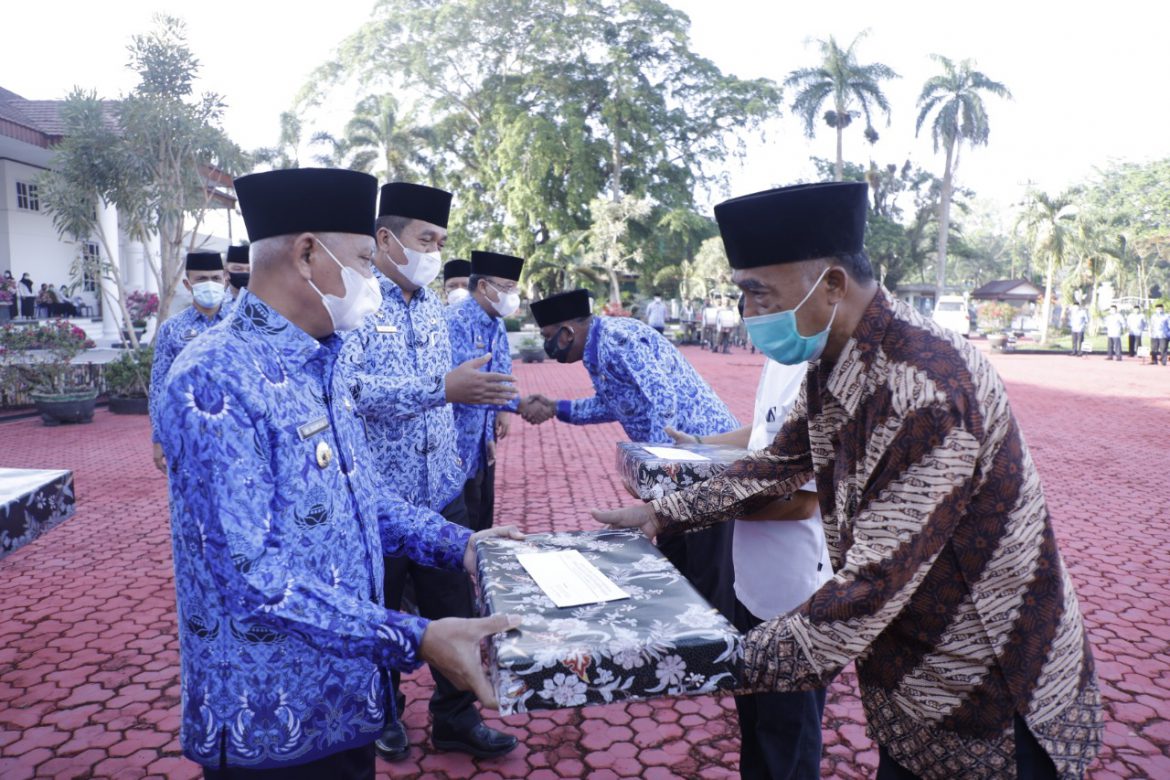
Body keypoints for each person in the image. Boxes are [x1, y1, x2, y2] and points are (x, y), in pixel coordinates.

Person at [595, 181, 1102, 780]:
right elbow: (778, 462)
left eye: (759, 295)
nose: (750, 317)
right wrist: (664, 515)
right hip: (914, 676)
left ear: (831, 284)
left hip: (991, 683)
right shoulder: (840, 356)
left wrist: (700, 660)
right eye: (743, 298)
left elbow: (869, 586)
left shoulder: (926, 391)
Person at [156, 166, 521, 779]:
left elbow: (359, 496)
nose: (372, 275)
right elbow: (253, 578)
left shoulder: (322, 355)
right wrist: (417, 638)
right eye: (360, 257)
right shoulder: (215, 376)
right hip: (273, 714)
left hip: (345, 695)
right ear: (306, 254)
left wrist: (460, 543)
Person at [338, 182, 520, 762]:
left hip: (442, 490)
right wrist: (438, 389)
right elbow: (351, 391)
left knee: (456, 609)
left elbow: (453, 391)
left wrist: (475, 411)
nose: (436, 252)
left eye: (441, 241)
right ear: (386, 240)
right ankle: (385, 713)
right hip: (381, 496)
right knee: (384, 610)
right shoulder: (356, 308)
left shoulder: (440, 314)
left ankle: (455, 718)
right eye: (426, 239)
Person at [523, 288, 741, 620]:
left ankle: (720, 647)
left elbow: (662, 400)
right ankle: (686, 637)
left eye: (549, 337)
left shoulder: (617, 339)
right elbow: (612, 405)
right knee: (674, 558)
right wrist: (557, 408)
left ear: (568, 332)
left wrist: (655, 469)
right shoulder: (597, 350)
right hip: (674, 464)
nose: (548, 345)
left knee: (705, 565)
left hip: (700, 459)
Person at [670, 357, 833, 779]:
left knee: (788, 739)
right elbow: (763, 433)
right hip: (752, 583)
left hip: (798, 596)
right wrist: (701, 442)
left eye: (761, 295)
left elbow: (801, 503)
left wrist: (695, 508)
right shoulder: (780, 359)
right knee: (757, 726)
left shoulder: (825, 371)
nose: (753, 311)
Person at [446, 250, 537, 533]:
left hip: (481, 439)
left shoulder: (494, 321)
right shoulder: (455, 320)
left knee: (482, 515)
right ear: (483, 286)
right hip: (453, 442)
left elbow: (501, 369)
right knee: (459, 522)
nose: (512, 295)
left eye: (514, 288)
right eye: (506, 287)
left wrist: (501, 412)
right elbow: (473, 385)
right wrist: (521, 405)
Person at [148, 251, 233, 473]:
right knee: (191, 498)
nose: (210, 284)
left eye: (215, 278)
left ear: (225, 279)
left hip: (237, 428)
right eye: (201, 279)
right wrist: (158, 436)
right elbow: (159, 385)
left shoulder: (240, 324)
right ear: (188, 284)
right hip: (188, 431)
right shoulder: (172, 329)